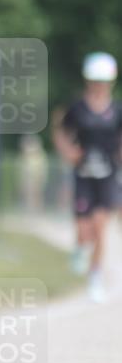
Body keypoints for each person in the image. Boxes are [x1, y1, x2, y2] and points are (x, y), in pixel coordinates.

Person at [52, 52, 122, 302]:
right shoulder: (77, 108)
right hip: (83, 176)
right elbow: (60, 131)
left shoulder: (116, 110)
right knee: (85, 232)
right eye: (95, 80)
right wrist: (67, 151)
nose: (99, 85)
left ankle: (95, 277)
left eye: (103, 81)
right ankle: (80, 249)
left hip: (108, 176)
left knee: (100, 228)